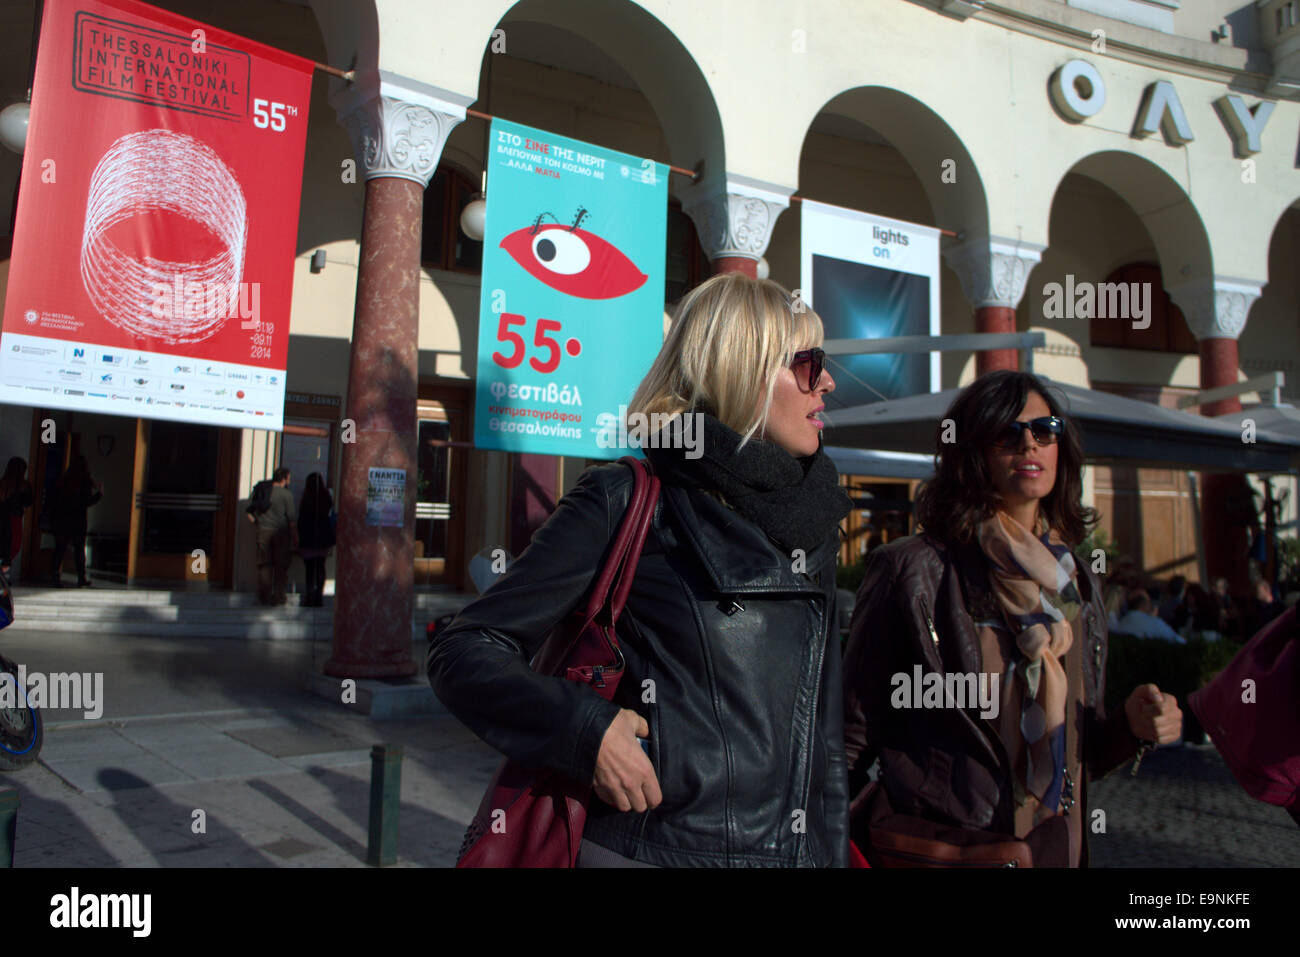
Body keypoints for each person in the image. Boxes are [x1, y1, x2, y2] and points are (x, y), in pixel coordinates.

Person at [427, 274, 852, 867]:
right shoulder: (626, 498)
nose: (827, 381)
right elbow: (465, 648)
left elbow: (825, 741)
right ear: (741, 370)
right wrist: (584, 731)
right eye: (808, 364)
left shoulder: (814, 517)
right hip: (654, 851)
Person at [843, 370, 1183, 867]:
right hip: (949, 853)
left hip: (1053, 850)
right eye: (1006, 432)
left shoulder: (1077, 584)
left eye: (1044, 430)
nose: (1029, 443)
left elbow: (1076, 753)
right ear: (972, 453)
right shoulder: (913, 570)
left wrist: (1133, 728)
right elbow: (849, 739)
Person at [49, 455, 102, 587]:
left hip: (61, 519)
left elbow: (55, 500)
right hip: (78, 520)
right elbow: (86, 502)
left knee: (59, 549)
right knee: (79, 550)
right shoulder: (84, 481)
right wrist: (99, 493)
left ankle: (55, 576)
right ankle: (81, 577)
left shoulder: (64, 480)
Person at [252, 468, 297, 606]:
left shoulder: (264, 491)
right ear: (284, 479)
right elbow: (291, 519)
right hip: (281, 533)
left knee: (264, 565)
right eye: (289, 478)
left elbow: (250, 510)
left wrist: (258, 523)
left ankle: (263, 596)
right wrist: (296, 536)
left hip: (264, 530)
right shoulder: (286, 495)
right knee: (280, 565)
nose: (289, 480)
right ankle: (278, 596)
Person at [296, 472, 334, 607]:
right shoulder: (326, 498)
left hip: (308, 536)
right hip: (323, 536)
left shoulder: (306, 498)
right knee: (321, 567)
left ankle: (310, 596)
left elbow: (301, 518)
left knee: (310, 569)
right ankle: (319, 597)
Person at [0, 457, 33, 574]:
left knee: (4, 544)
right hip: (15, 518)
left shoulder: (3, 484)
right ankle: (3, 568)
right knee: (13, 546)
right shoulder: (24, 486)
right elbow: (28, 502)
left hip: (3, 517)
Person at [1116, 589, 1186, 643]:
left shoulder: (1123, 621)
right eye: (1148, 603)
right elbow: (1176, 639)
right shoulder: (1153, 623)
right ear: (1142, 605)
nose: (1150, 606)